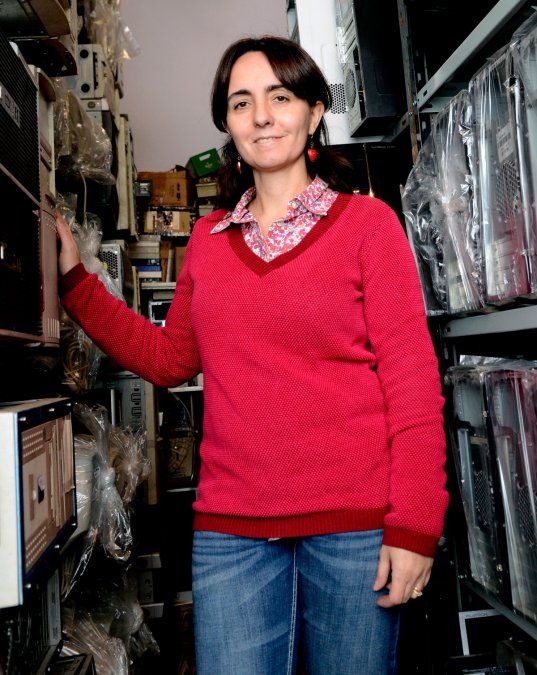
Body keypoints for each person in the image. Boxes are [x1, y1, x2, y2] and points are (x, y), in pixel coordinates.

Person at [57, 35, 448, 675]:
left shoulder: (368, 226)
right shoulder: (209, 241)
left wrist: (416, 526)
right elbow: (169, 359)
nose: (262, 116)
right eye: (242, 102)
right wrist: (77, 284)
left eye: (280, 97)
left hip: (354, 529)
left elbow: (412, 388)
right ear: (228, 123)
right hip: (231, 533)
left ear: (314, 112)